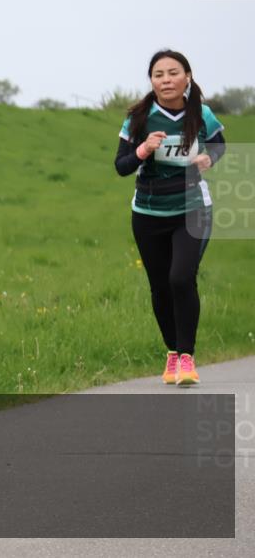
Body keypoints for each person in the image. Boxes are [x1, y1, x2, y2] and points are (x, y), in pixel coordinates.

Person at [114, 49, 226, 386]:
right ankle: (173, 355)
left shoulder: (201, 114)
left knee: (181, 278)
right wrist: (143, 150)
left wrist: (209, 159)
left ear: (187, 77)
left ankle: (187, 357)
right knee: (160, 286)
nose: (166, 80)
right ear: (151, 81)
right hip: (148, 213)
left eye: (173, 73)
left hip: (192, 209)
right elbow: (121, 166)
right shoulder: (139, 118)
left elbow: (220, 146)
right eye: (158, 74)